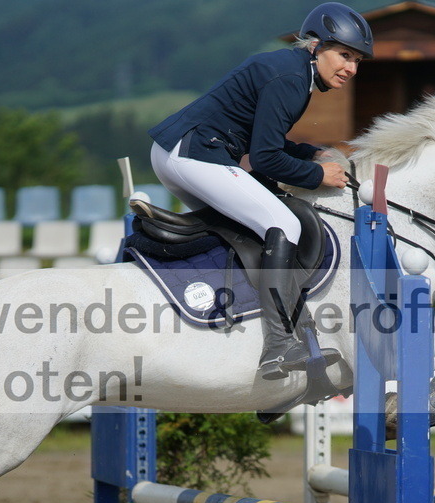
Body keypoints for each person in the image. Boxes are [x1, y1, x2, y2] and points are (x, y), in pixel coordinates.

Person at [148, 2, 373, 380]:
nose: (351, 68)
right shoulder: (290, 79)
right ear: (316, 47)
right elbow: (266, 158)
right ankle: (278, 345)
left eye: (358, 60)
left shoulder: (292, 71)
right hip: (194, 154)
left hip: (182, 152)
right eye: (344, 55)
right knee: (283, 223)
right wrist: (317, 176)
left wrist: (309, 152)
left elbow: (265, 141)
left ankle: (253, 339)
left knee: (253, 231)